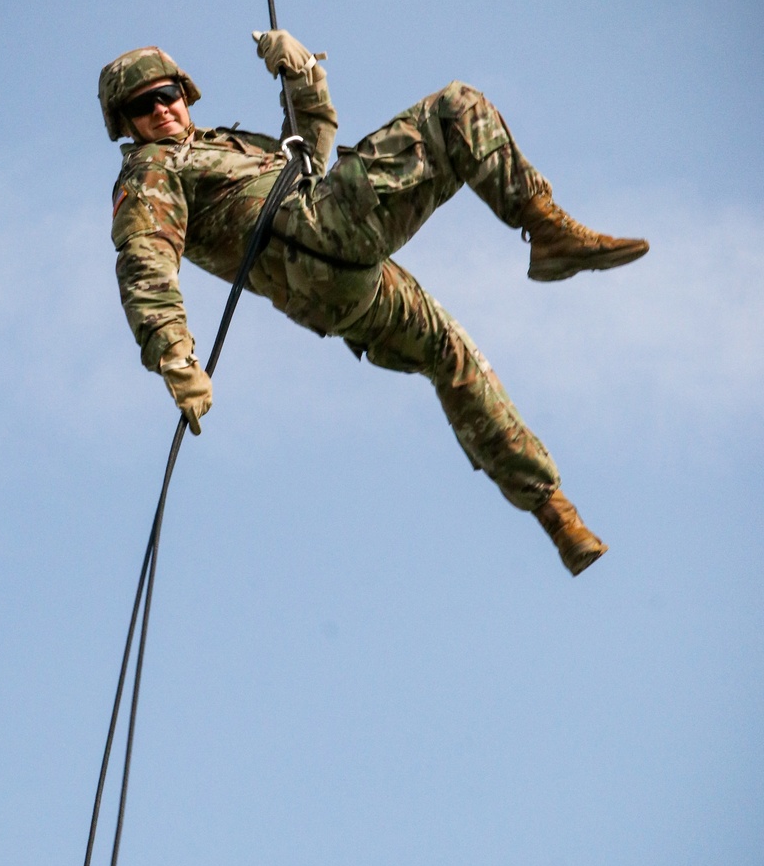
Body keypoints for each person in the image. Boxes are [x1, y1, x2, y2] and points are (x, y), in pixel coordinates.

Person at [98, 32, 649, 575]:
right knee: (458, 109)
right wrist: (174, 355)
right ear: (126, 123)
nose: (160, 110)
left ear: (184, 94)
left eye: (166, 94)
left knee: (448, 351)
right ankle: (546, 228)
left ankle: (556, 514)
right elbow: (146, 259)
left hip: (341, 290)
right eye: (143, 106)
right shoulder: (152, 171)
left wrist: (304, 80)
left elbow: (307, 161)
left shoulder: (228, 147)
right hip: (320, 236)